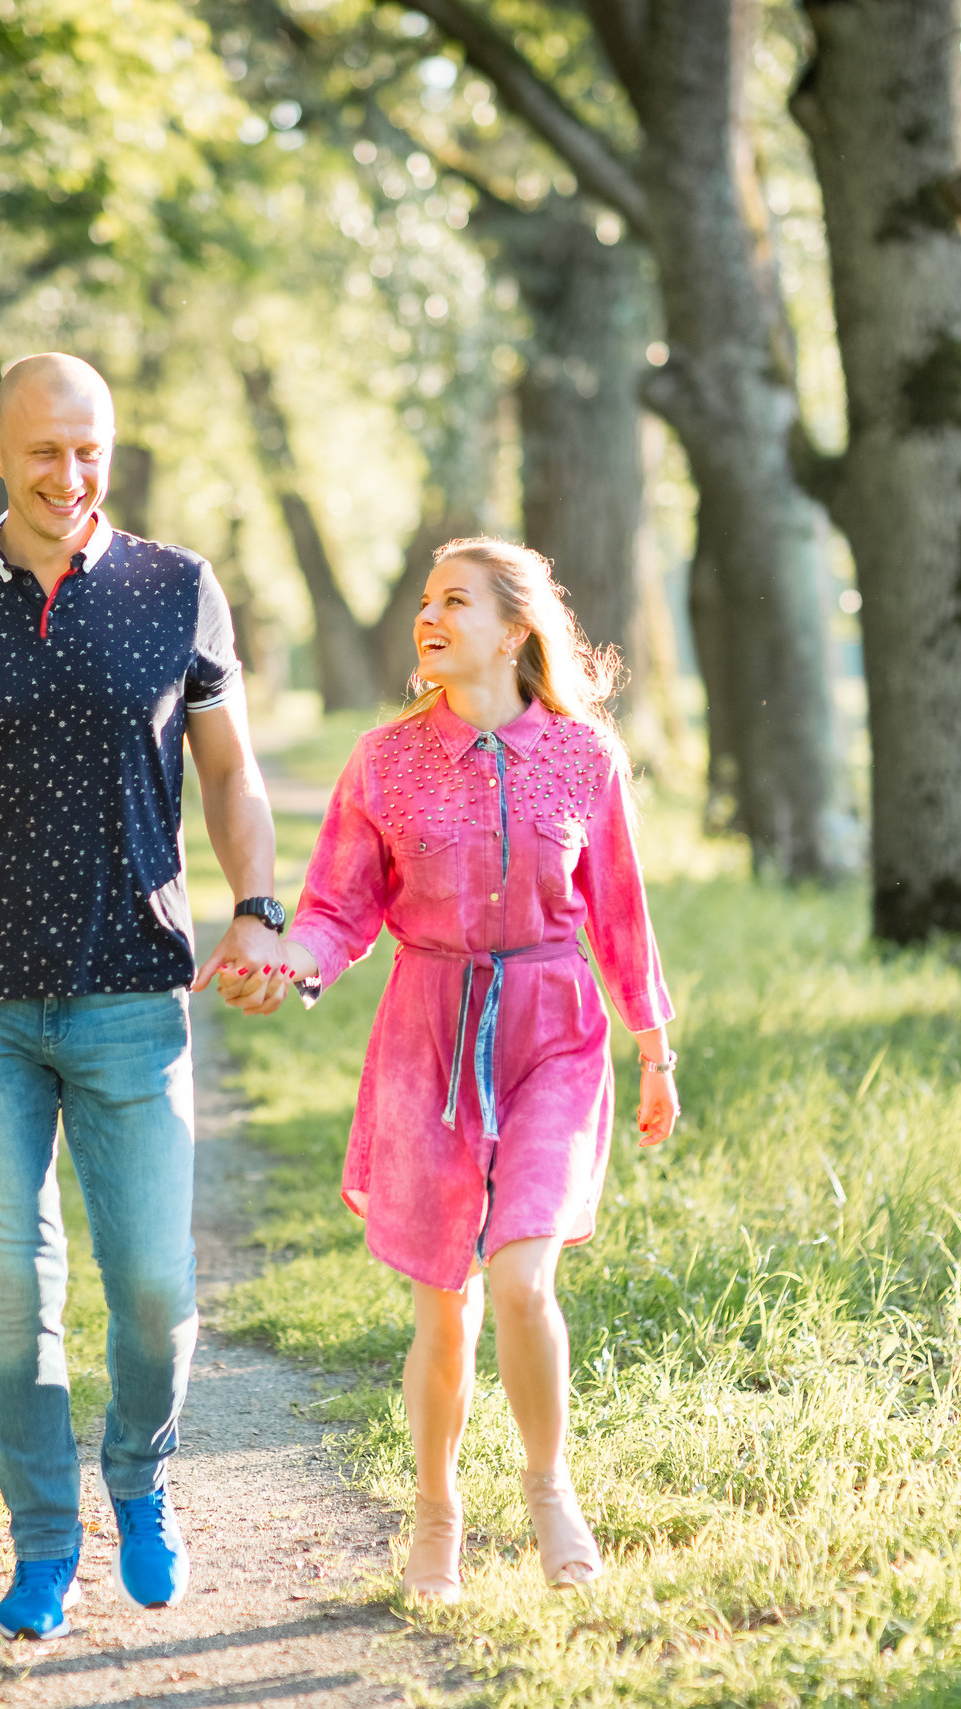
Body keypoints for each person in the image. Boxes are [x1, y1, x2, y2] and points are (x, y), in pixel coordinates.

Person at [0, 353, 286, 1640]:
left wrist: (257, 903)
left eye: (89, 449)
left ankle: (139, 1477)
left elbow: (233, 770)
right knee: (16, 1289)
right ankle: (40, 1544)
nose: (68, 474)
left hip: (133, 990)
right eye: (43, 450)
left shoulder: (175, 589)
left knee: (151, 1285)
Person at [219, 538, 678, 1603]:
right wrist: (291, 956)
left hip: (554, 1028)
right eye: (424, 600)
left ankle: (549, 1487)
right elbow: (339, 905)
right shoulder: (382, 760)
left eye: (454, 601)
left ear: (514, 629)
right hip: (425, 1034)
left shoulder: (583, 755)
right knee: (445, 1302)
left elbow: (620, 914)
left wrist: (652, 1046)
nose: (427, 616)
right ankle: (436, 1513)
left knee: (522, 1278)